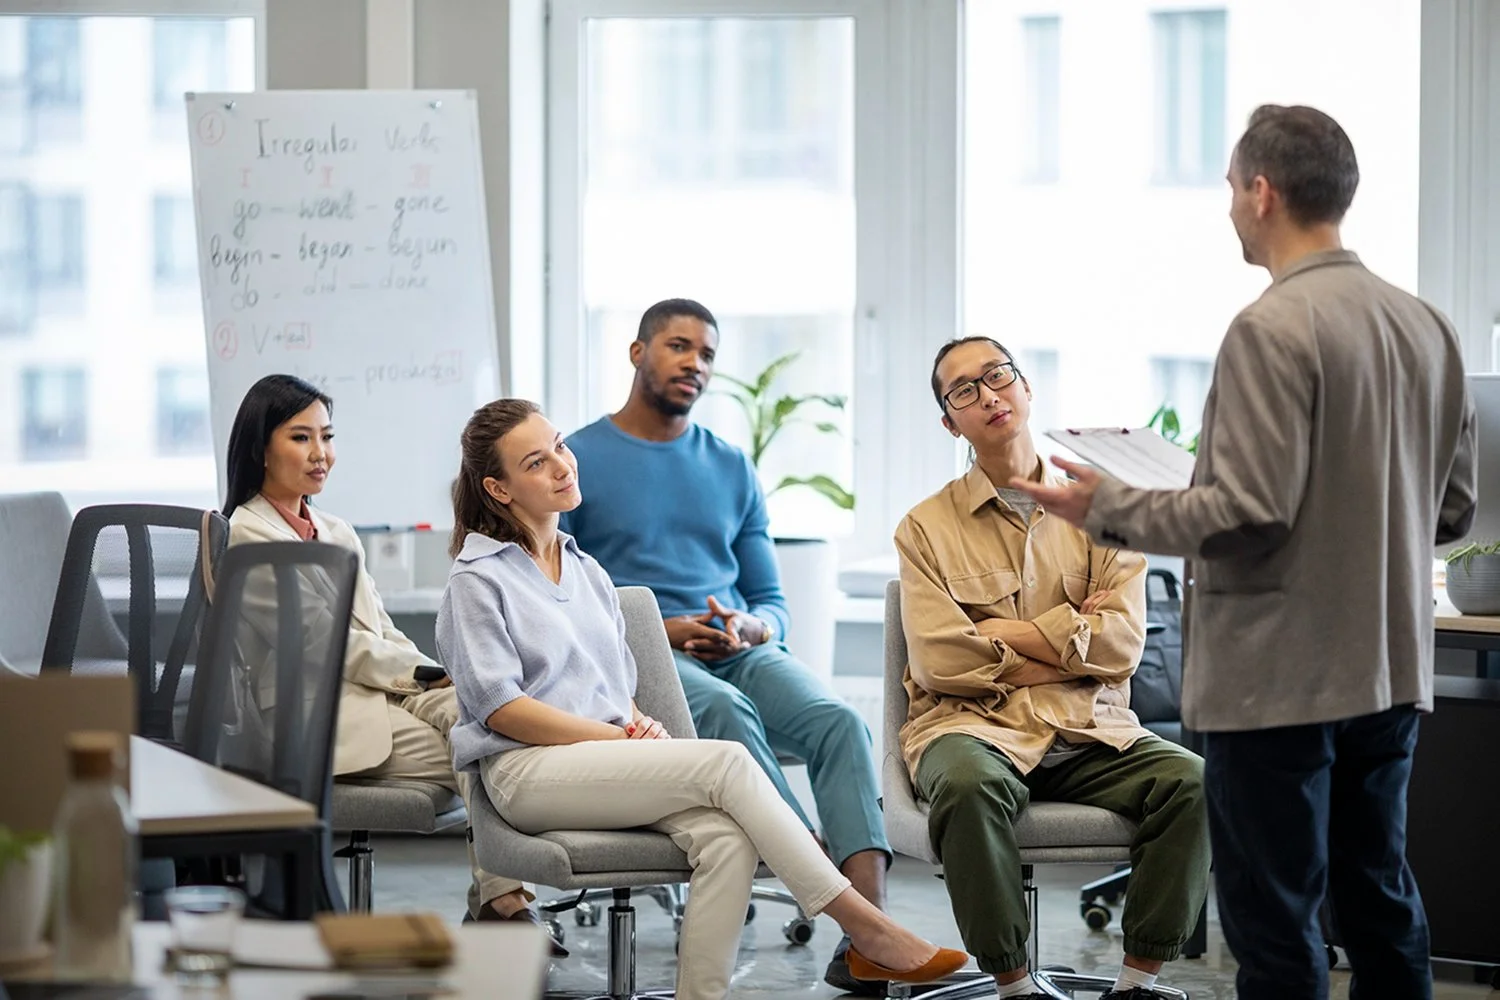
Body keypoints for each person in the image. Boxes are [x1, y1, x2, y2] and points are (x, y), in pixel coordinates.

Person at [1012, 105, 1478, 1000]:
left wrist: (1102, 505)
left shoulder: (1271, 328)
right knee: (1378, 899)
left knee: (1276, 925)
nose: (1229, 205)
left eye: (1231, 187)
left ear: (1262, 192)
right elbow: (1449, 509)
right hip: (1387, 669)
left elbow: (1248, 511)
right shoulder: (1428, 327)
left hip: (1278, 682)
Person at [436, 398, 967, 1000]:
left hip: (601, 762)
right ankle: (867, 928)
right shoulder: (477, 580)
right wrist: (617, 736)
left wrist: (638, 725)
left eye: (559, 445)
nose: (563, 465)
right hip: (524, 773)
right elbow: (500, 708)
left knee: (727, 837)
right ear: (498, 489)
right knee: (728, 758)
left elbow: (615, 684)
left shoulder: (585, 570)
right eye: (536, 462)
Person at [559, 298, 893, 992]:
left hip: (734, 645)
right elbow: (560, 597)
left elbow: (771, 599)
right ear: (636, 353)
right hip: (637, 656)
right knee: (728, 718)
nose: (695, 364)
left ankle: (866, 942)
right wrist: (660, 628)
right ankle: (835, 887)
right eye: (679, 346)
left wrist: (752, 628)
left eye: (706, 354)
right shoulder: (576, 459)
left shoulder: (731, 466)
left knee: (840, 724)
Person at [896, 337, 1209, 1000]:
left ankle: (1136, 985)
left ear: (1026, 388)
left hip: (1087, 727)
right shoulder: (923, 528)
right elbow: (941, 660)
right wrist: (1071, 643)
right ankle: (1014, 987)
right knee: (968, 787)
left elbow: (1122, 645)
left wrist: (1002, 635)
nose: (987, 395)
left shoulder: (1105, 513)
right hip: (970, 727)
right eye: (963, 390)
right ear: (951, 422)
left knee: (1194, 783)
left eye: (997, 376)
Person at [221, 374, 556, 948]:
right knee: (474, 742)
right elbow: (322, 643)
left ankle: (502, 899)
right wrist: (422, 675)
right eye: (301, 438)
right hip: (312, 718)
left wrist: (432, 672)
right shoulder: (245, 536)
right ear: (260, 447)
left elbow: (380, 628)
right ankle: (502, 899)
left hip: (373, 691)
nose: (320, 454)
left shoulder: (335, 528)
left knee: (489, 711)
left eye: (326, 436)